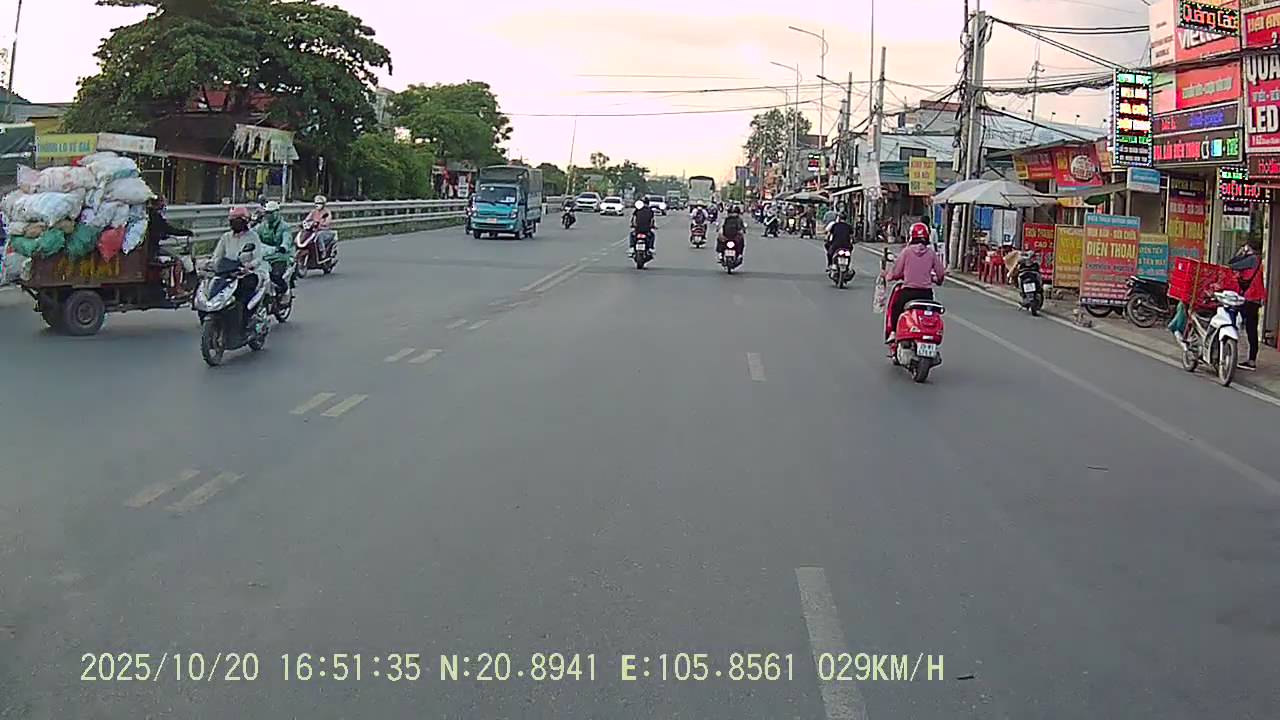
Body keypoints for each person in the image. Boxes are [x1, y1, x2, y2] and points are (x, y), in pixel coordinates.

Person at [884, 222, 946, 343]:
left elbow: (896, 272)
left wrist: (889, 276)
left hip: (908, 293)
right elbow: (940, 274)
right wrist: (937, 280)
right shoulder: (931, 253)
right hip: (926, 294)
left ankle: (893, 332)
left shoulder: (906, 252)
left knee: (896, 308)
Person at [212, 207, 269, 331]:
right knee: (213, 290)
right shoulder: (226, 237)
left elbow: (258, 257)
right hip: (227, 273)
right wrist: (211, 265)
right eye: (233, 220)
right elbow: (217, 256)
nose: (235, 223)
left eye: (238, 221)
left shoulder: (252, 237)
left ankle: (245, 322)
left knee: (242, 296)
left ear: (245, 222)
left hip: (247, 273)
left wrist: (250, 266)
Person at [1229, 238, 1268, 370]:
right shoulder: (1256, 259)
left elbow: (1232, 264)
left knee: (1245, 326)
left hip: (1250, 297)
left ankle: (1249, 360)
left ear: (1249, 247)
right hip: (1254, 298)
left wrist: (1240, 253)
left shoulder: (1251, 259)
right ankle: (1251, 359)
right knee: (1251, 328)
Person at [145, 197, 195, 295]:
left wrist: (162, 235)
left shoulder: (148, 215)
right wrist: (186, 232)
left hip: (150, 248)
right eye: (162, 202)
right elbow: (169, 229)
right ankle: (177, 288)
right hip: (153, 250)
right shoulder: (156, 217)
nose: (164, 205)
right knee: (177, 261)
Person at [256, 200, 292, 297]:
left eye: (270, 213)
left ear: (276, 213)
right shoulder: (262, 226)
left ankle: (284, 290)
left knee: (276, 276)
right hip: (263, 256)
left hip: (279, 256)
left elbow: (287, 239)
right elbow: (253, 235)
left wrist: (283, 247)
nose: (268, 215)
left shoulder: (285, 227)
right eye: (267, 213)